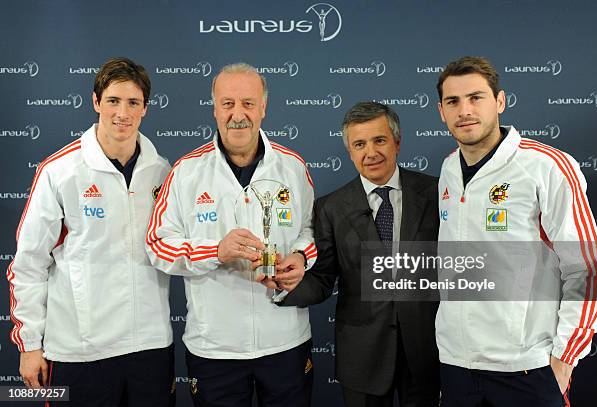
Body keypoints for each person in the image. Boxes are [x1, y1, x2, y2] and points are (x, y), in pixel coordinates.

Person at [435, 56, 597, 407]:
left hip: (526, 367)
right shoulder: (449, 167)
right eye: (453, 101)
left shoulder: (546, 166)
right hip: (457, 362)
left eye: (476, 97)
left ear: (500, 101)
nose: (464, 110)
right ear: (441, 111)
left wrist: (564, 357)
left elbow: (588, 270)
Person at [146, 62, 317, 407]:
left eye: (248, 104)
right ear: (214, 109)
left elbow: (311, 231)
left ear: (263, 108)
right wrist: (215, 251)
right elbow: (157, 245)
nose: (238, 114)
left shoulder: (293, 167)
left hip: (285, 341)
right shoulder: (186, 172)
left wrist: (301, 257)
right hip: (215, 348)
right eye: (228, 104)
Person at [7, 57, 174, 406]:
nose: (122, 113)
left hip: (150, 347)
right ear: (96, 102)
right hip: (80, 350)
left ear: (146, 108)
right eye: (113, 101)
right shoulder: (60, 171)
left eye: (133, 103)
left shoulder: (162, 172)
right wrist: (30, 344)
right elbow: (29, 264)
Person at [282, 101, 441, 406]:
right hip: (363, 357)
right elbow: (323, 279)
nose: (371, 152)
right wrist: (284, 285)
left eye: (379, 140)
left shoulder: (436, 194)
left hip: (426, 352)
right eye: (359, 144)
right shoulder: (330, 208)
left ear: (397, 142)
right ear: (350, 152)